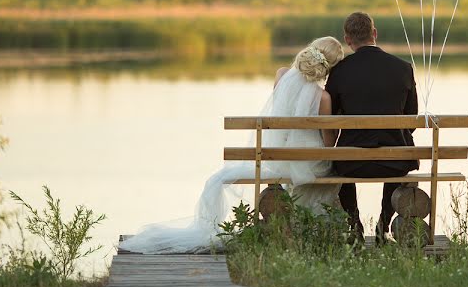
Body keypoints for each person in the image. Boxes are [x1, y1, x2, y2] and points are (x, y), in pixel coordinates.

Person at [118, 36, 344, 254]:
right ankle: (318, 228)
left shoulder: (281, 75)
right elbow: (327, 144)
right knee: (326, 170)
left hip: (279, 159)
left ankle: (289, 227)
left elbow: (278, 115)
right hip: (308, 164)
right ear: (329, 68)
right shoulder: (323, 98)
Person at [324, 12, 419, 243]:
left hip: (351, 164)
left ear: (347, 40)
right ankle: (383, 224)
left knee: (339, 161)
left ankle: (354, 223)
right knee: (398, 148)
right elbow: (412, 117)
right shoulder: (403, 68)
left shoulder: (339, 71)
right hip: (395, 161)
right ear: (374, 34)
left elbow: (330, 118)